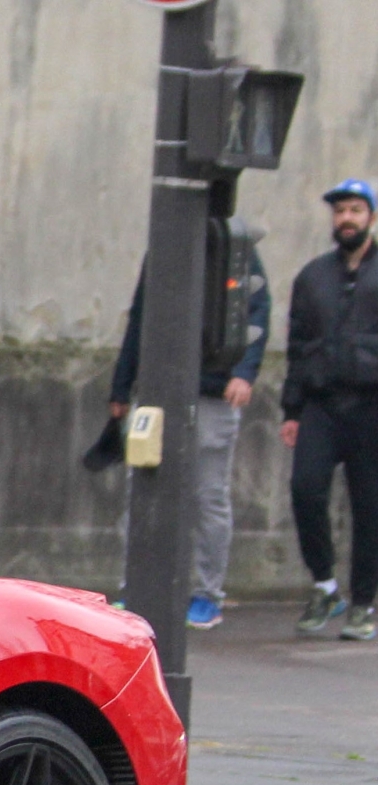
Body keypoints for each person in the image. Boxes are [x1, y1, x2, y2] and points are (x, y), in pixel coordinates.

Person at [106, 238, 269, 630]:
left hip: (213, 394)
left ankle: (208, 595)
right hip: (158, 390)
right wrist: (122, 384)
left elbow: (257, 313)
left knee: (207, 495)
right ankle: (138, 587)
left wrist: (244, 373)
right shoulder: (166, 234)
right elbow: (141, 314)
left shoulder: (238, 247)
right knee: (142, 489)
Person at [282, 178, 378, 640]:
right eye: (340, 211)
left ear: (371, 217)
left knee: (369, 508)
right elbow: (298, 344)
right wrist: (291, 409)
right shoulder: (313, 275)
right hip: (321, 404)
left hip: (371, 406)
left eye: (356, 210)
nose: (346, 219)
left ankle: (363, 603)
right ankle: (324, 585)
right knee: (305, 490)